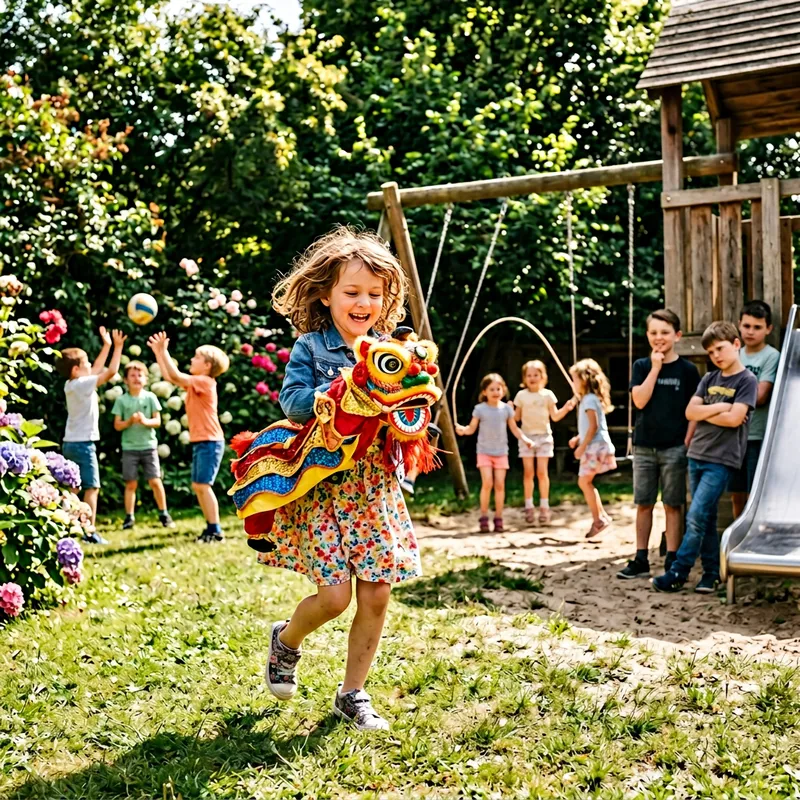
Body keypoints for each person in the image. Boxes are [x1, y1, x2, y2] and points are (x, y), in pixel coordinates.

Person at [255, 226, 422, 732]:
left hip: (375, 487)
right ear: (326, 295)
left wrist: (410, 409)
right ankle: (286, 641)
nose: (363, 302)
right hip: (326, 487)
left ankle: (353, 693)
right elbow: (293, 400)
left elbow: (410, 407)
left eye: (375, 293)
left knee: (376, 594)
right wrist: (332, 395)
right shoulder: (311, 346)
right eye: (352, 292)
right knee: (334, 597)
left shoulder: (393, 350)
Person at [652, 321, 758, 594]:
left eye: (720, 349)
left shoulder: (746, 380)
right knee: (707, 518)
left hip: (721, 460)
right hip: (696, 455)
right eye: (711, 353)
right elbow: (690, 413)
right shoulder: (709, 378)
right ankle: (710, 574)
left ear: (736, 344)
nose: (716, 356)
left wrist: (709, 409)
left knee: (697, 515)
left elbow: (736, 419)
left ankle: (678, 570)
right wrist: (722, 406)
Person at [618, 309, 700, 579]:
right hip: (644, 447)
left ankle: (672, 560)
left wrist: (687, 440)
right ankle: (641, 558)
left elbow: (695, 410)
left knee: (672, 504)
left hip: (675, 447)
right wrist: (655, 368)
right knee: (643, 503)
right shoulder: (641, 366)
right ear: (647, 335)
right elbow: (639, 400)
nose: (658, 338)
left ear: (677, 335)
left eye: (664, 332)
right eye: (653, 332)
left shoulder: (688, 371)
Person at [147, 333, 229, 543]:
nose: (191, 360)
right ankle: (211, 528)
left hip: (210, 441)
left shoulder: (205, 382)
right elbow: (169, 376)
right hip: (203, 441)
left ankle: (215, 530)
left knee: (203, 486)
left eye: (196, 357)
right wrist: (158, 352)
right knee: (199, 485)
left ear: (207, 366)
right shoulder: (197, 382)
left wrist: (163, 351)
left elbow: (174, 377)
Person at [57, 327, 126, 543]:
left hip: (70, 443)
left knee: (73, 488)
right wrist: (118, 347)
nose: (91, 366)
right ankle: (89, 532)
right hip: (84, 444)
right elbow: (110, 372)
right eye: (86, 363)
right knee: (92, 487)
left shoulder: (72, 384)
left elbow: (95, 369)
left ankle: (66, 528)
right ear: (77, 369)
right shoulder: (83, 383)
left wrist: (106, 345)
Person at [455, 373, 534, 533]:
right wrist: (463, 430)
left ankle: (498, 518)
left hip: (501, 452)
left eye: (499, 388)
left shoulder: (506, 409)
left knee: (499, 485)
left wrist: (525, 439)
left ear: (503, 390)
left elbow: (514, 428)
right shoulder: (480, 409)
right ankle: (484, 516)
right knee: (488, 483)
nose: (496, 392)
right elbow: (471, 428)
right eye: (492, 389)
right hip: (484, 451)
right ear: (484, 392)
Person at [729, 300, 780, 518]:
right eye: (747, 326)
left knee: (754, 490)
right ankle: (735, 534)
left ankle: (752, 533)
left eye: (757, 327)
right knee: (736, 491)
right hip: (732, 436)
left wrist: (732, 398)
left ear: (768, 329)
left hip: (757, 436)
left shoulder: (771, 356)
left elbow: (760, 396)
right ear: (739, 324)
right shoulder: (733, 353)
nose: (750, 332)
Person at [112, 360, 175, 530]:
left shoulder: (150, 397)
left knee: (155, 481)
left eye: (140, 375)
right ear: (125, 380)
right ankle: (129, 518)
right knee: (131, 483)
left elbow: (157, 421)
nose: (136, 378)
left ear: (146, 379)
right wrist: (130, 421)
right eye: (132, 375)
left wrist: (145, 421)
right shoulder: (121, 400)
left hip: (149, 447)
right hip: (129, 448)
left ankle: (164, 514)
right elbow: (117, 425)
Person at [512, 360, 576, 525]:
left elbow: (554, 417)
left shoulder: (548, 395)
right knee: (528, 473)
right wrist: (509, 409)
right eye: (529, 375)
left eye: (536, 375)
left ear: (543, 377)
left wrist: (567, 408)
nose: (532, 378)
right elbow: (516, 418)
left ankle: (544, 507)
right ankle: (528, 506)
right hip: (526, 438)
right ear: (524, 378)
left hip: (544, 437)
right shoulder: (521, 395)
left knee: (542, 473)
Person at [568, 358, 617, 539]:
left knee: (584, 482)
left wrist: (582, 446)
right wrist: (579, 438)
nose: (573, 383)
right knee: (586, 481)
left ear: (584, 379)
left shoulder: (588, 400)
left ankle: (598, 520)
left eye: (575, 379)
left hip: (594, 446)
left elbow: (594, 426)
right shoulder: (591, 399)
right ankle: (601, 516)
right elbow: (591, 426)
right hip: (598, 444)